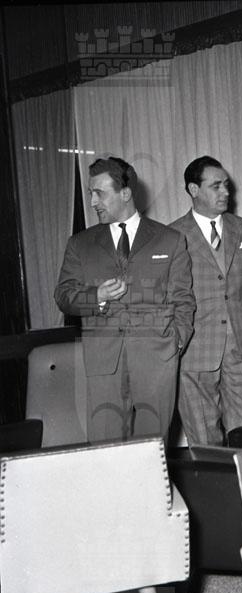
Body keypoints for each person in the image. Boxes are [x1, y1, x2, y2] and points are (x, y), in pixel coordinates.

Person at [55, 156, 195, 442]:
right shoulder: (80, 244)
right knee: (106, 449)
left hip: (157, 361)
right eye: (91, 193)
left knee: (153, 450)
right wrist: (97, 297)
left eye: (99, 193)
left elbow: (183, 300)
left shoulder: (170, 239)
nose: (93, 201)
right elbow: (63, 297)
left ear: (125, 193)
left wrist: (175, 342)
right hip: (103, 363)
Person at [170, 156, 242, 445]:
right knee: (203, 438)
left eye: (226, 185)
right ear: (194, 189)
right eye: (216, 186)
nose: (225, 192)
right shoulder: (171, 235)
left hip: (241, 345)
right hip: (195, 348)